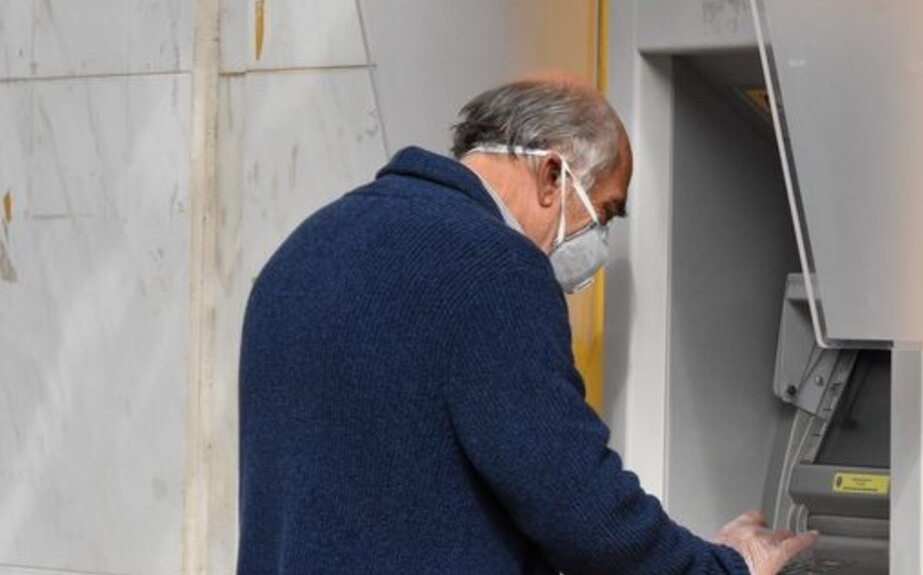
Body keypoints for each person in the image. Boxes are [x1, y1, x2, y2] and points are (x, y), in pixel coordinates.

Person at [236, 76, 818, 574]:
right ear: (552, 175)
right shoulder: (494, 268)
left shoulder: (307, 247)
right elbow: (577, 504)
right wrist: (721, 567)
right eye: (605, 211)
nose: (598, 239)